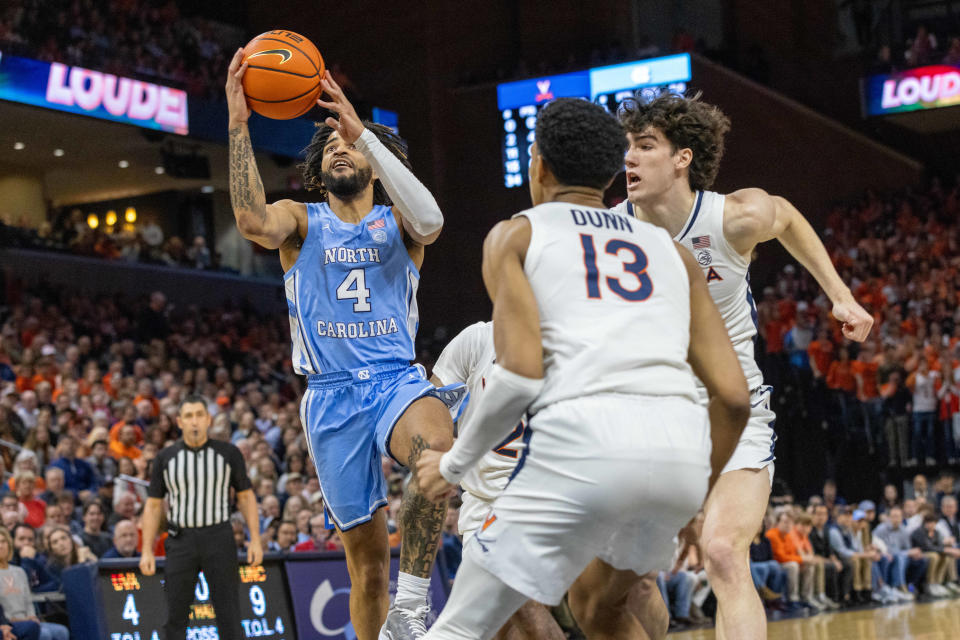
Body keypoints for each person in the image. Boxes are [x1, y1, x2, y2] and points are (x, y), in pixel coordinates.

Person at [417, 97, 749, 640]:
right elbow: (734, 398)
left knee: (457, 629)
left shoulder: (517, 234)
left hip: (581, 453)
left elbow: (520, 374)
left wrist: (453, 464)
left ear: (539, 167)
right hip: (676, 458)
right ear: (613, 170)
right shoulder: (673, 253)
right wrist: (694, 491)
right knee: (600, 609)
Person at [613, 91, 872, 639]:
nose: (629, 159)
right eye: (627, 148)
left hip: (734, 411)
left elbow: (788, 218)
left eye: (645, 146)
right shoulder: (607, 232)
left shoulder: (732, 215)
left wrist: (840, 295)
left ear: (683, 157)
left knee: (724, 552)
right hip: (650, 420)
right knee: (625, 581)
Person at [226, 48, 462, 640]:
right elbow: (253, 222)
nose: (338, 147)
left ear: (376, 163)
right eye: (329, 146)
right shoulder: (301, 221)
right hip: (330, 398)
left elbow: (431, 221)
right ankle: (386, 618)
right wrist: (237, 124)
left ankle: (412, 608)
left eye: (349, 144)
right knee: (366, 565)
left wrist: (367, 135)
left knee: (434, 445)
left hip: (395, 380)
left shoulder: (398, 224)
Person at [139, 395, 263, 640]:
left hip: (219, 537)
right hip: (180, 540)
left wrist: (255, 539)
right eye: (188, 416)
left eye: (198, 415)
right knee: (175, 614)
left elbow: (246, 497)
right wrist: (146, 549)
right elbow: (153, 506)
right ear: (179, 422)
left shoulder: (229, 453)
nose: (194, 421)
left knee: (229, 612)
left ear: (208, 419)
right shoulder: (165, 458)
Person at [0, 528, 68, 640]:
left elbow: (28, 599)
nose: (1, 546)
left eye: (3, 542)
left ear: (9, 544)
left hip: (29, 620)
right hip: (10, 622)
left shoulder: (19, 571)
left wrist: (32, 616)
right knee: (45, 634)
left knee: (62, 631)